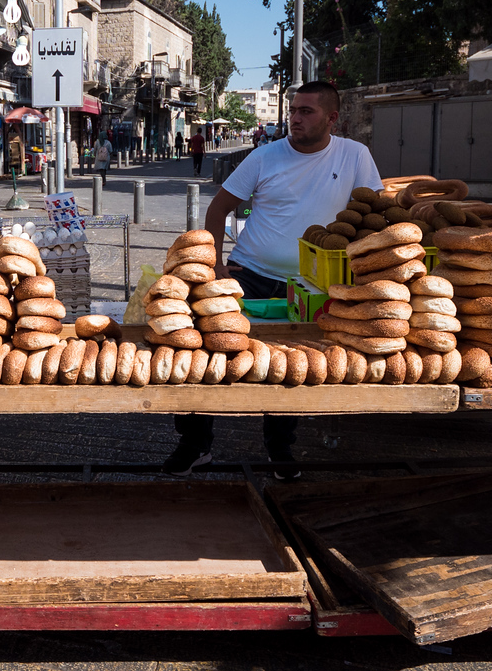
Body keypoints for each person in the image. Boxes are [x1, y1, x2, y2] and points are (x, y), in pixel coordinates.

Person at [162, 80, 381, 481]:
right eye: (294, 110)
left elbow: (373, 213)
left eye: (306, 111)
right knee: (207, 353)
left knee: (290, 367)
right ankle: (195, 445)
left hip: (314, 286)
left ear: (332, 118)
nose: (295, 118)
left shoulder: (356, 157)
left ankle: (279, 450)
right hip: (251, 275)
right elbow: (219, 208)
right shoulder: (264, 157)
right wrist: (216, 263)